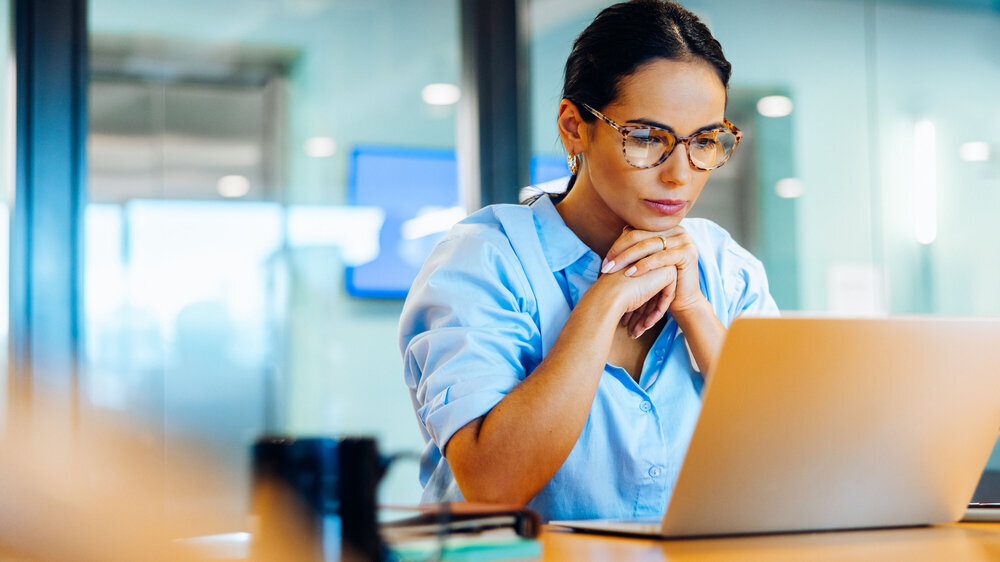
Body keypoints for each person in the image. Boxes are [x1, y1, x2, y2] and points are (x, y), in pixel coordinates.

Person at [398, 0, 778, 522]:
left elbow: (785, 459)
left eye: (704, 142)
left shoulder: (723, 265)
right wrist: (603, 303)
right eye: (646, 138)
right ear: (575, 127)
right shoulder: (486, 259)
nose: (680, 176)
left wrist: (694, 311)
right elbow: (492, 484)